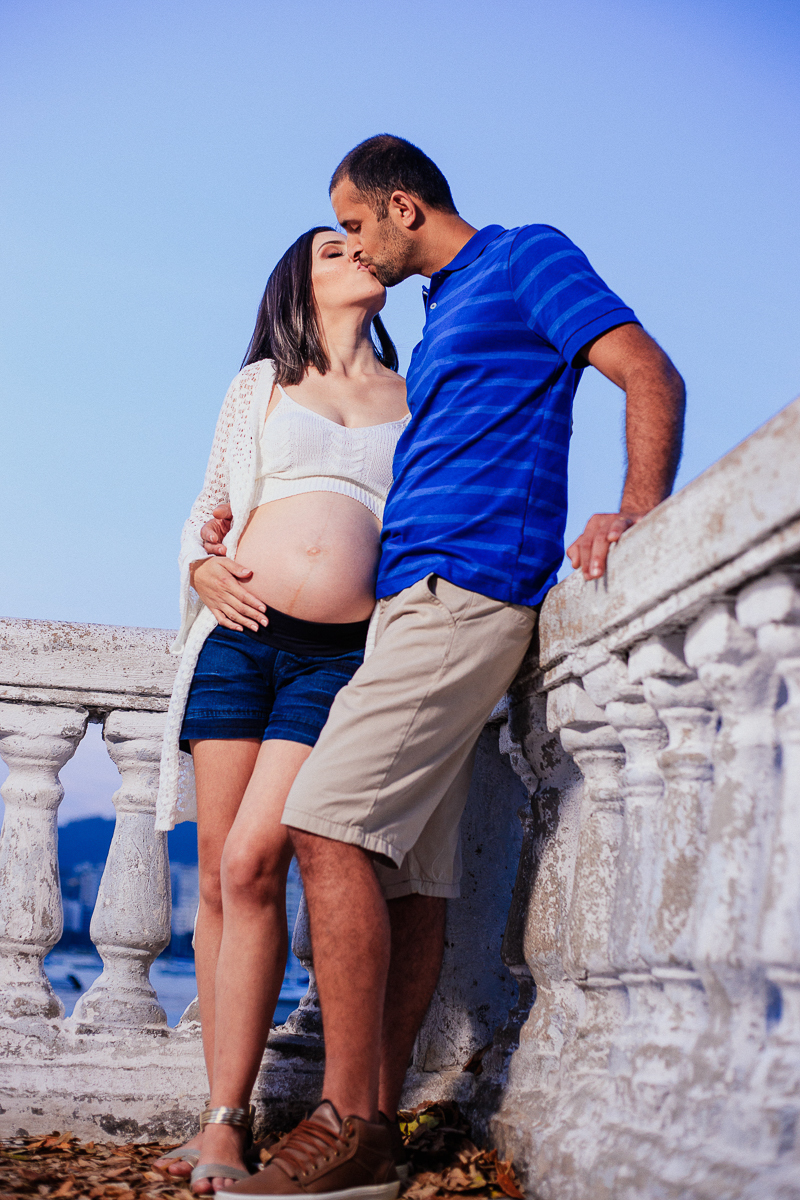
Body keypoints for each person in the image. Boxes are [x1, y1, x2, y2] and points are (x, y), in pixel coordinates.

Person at [217, 135, 686, 1200]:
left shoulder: (525, 257)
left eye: (353, 223)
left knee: (322, 824)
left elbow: (644, 368)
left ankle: (348, 1121)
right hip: (407, 602)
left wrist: (640, 509)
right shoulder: (439, 311)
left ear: (401, 205)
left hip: (465, 591)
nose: (348, 244)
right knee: (412, 878)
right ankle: (368, 1135)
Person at [151, 225, 409, 1195]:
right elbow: (204, 509)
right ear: (298, 282)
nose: (358, 253)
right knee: (223, 876)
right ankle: (223, 1124)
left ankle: (242, 1120)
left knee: (263, 853)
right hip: (236, 643)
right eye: (333, 247)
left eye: (361, 243)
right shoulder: (258, 383)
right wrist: (200, 568)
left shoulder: (413, 393)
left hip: (340, 657)